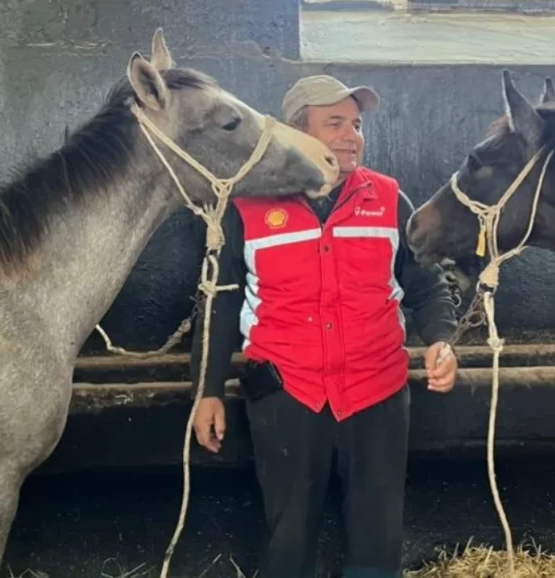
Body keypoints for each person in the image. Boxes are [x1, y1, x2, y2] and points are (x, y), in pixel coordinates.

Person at [189, 74, 460, 578]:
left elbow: (426, 285)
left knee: (378, 541)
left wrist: (441, 339)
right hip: (287, 395)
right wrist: (206, 390)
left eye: (356, 125)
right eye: (334, 123)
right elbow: (219, 304)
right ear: (297, 132)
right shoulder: (246, 208)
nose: (351, 136)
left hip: (377, 393)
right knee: (288, 540)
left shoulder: (388, 199)